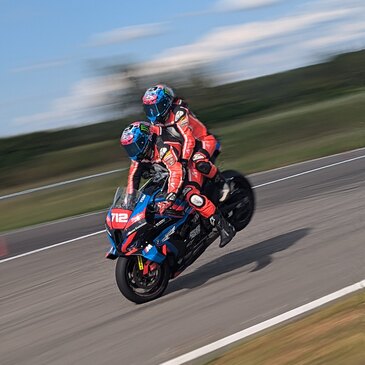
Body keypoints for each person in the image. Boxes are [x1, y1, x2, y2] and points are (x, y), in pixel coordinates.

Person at [120, 121, 236, 247]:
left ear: (145, 140)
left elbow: (177, 172)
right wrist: (129, 201)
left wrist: (171, 196)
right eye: (129, 149)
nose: (133, 152)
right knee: (149, 194)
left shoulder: (163, 147)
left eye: (134, 146)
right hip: (167, 173)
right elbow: (133, 178)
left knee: (191, 196)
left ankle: (223, 226)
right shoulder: (138, 157)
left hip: (187, 166)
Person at [142, 84, 230, 202]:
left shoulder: (179, 113)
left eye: (156, 107)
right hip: (186, 148)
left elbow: (189, 139)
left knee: (199, 162)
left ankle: (222, 184)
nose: (153, 112)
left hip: (203, 141)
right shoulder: (156, 122)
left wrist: (183, 161)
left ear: (165, 103)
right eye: (150, 109)